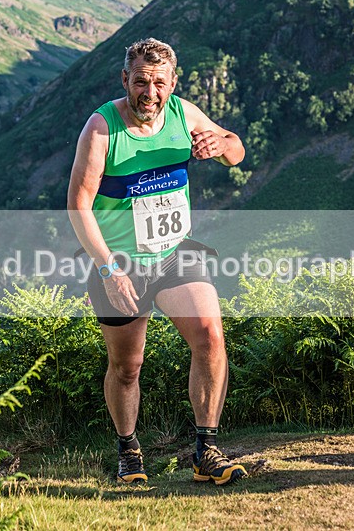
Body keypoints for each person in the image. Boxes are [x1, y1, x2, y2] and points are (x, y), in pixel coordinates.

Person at [67, 38, 247, 486]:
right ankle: (129, 450)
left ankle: (206, 449)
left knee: (210, 334)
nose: (150, 92)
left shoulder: (184, 114)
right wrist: (108, 269)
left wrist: (221, 144)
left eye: (160, 83)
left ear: (173, 83)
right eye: (142, 82)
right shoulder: (102, 129)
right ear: (125, 79)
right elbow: (78, 205)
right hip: (119, 261)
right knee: (127, 366)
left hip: (174, 253)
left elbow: (237, 150)